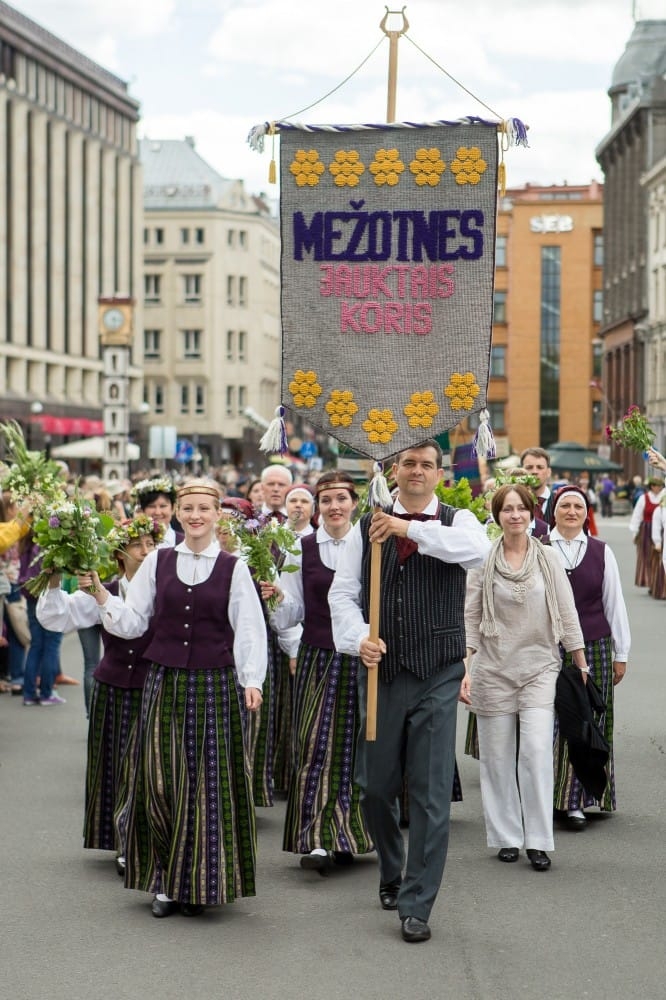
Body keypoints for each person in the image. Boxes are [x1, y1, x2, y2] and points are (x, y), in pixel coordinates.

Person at [329, 440, 490, 944]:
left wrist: (406, 528)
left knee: (430, 790)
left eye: (426, 464)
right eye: (408, 463)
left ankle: (417, 903)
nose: (416, 471)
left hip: (439, 671)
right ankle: (391, 868)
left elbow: (477, 553)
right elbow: (341, 594)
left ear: (439, 474)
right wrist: (360, 639)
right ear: (394, 471)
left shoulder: (458, 520)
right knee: (376, 788)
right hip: (384, 673)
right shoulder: (364, 527)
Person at [87, 480, 267, 917]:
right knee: (160, 780)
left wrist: (252, 679)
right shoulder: (159, 561)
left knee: (206, 783)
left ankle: (200, 882)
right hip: (163, 681)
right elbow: (132, 622)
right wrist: (100, 594)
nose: (195, 515)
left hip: (213, 684)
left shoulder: (232, 567)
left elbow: (248, 626)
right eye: (187, 508)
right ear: (177, 514)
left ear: (217, 513)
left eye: (204, 508)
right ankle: (165, 882)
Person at [463, 484, 589, 872]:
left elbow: (567, 612)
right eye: (507, 509)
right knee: (497, 758)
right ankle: (505, 837)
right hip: (493, 669)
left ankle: (537, 840)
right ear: (497, 516)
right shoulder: (482, 562)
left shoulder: (548, 558)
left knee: (534, 751)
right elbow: (469, 620)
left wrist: (581, 662)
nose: (515, 515)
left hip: (540, 666)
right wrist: (465, 672)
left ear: (532, 514)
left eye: (521, 509)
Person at [36, 514, 164, 872]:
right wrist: (53, 578)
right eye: (138, 544)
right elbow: (56, 618)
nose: (146, 550)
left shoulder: (166, 588)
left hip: (151, 687)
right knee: (112, 764)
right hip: (111, 687)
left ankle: (139, 839)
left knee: (144, 767)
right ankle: (119, 838)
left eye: (150, 543)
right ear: (120, 554)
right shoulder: (103, 587)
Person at [263, 471, 373, 873]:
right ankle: (315, 838)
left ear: (353, 503)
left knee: (357, 745)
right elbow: (291, 614)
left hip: (361, 657)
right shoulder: (300, 549)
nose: (334, 507)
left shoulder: (370, 547)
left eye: (341, 499)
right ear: (316, 507)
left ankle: (350, 833)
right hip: (316, 655)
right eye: (326, 500)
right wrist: (276, 599)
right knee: (314, 745)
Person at [549, 486, 630, 826]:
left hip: (594, 645)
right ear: (553, 511)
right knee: (551, 725)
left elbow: (614, 602)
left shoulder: (600, 551)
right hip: (549, 648)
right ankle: (550, 797)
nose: (571, 511)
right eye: (564, 505)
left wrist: (621, 652)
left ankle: (582, 797)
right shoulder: (540, 548)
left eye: (577, 506)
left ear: (586, 512)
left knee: (588, 723)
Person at [628, 476, 665, 589]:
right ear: (652, 486)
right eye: (657, 485)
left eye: (660, 486)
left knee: (659, 558)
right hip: (646, 531)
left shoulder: (663, 497)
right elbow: (637, 516)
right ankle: (649, 581)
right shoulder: (643, 498)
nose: (659, 488)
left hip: (660, 530)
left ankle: (658, 583)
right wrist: (635, 532)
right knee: (647, 556)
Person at [130, 476, 182, 547]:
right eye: (152, 506)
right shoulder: (133, 542)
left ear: (173, 509)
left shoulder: (184, 542)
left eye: (163, 506)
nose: (157, 512)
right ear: (142, 510)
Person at [520, 447, 553, 522]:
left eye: (540, 467)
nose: (534, 471)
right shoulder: (513, 502)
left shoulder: (559, 503)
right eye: (529, 467)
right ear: (521, 471)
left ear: (549, 472)